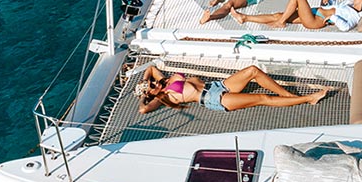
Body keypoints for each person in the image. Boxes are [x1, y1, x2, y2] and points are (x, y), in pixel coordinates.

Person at [135, 65, 327, 114]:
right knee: (262, 98)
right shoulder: (164, 96)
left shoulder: (164, 81)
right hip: (214, 99)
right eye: (151, 87)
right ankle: (308, 99)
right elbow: (143, 109)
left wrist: (143, 82)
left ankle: (288, 96)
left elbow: (150, 69)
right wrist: (143, 96)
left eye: (152, 82)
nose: (153, 84)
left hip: (218, 85)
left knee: (253, 71)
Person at [231, 0, 362, 31]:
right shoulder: (349, 3)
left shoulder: (356, 16)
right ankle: (244, 18)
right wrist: (328, 1)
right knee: (278, 15)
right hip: (317, 11)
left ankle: (280, 22)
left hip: (315, 20)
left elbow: (345, 27)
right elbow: (335, 5)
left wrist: (333, 17)